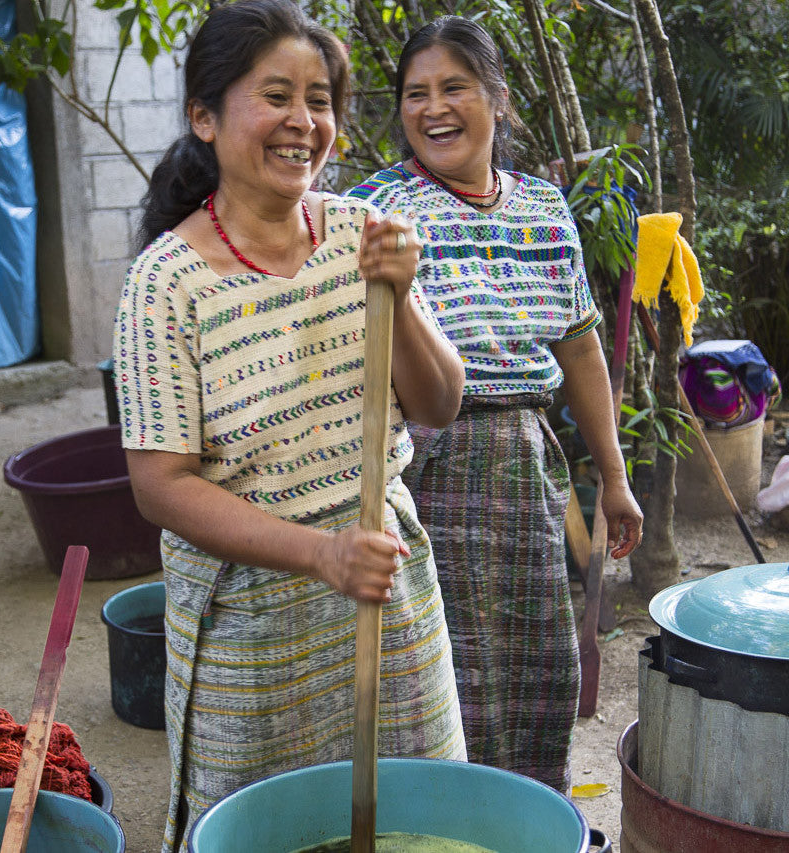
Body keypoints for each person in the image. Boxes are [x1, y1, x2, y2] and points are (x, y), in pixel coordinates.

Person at [113, 2, 467, 849]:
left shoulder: (364, 236)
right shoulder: (164, 283)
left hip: (389, 591)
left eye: (321, 99)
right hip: (252, 635)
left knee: (421, 818)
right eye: (276, 95)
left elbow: (439, 403)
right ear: (205, 116)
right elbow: (159, 484)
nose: (304, 123)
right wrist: (319, 553)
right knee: (266, 832)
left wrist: (402, 298)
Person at [347, 16, 643, 793]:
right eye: (416, 94)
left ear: (497, 101)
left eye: (454, 88)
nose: (433, 108)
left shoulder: (543, 210)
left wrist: (612, 480)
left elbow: (577, 350)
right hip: (422, 465)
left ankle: (529, 819)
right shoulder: (373, 210)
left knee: (540, 661)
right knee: (442, 674)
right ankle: (444, 823)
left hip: (525, 460)